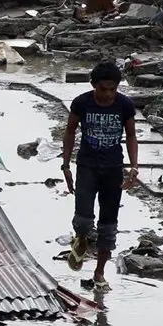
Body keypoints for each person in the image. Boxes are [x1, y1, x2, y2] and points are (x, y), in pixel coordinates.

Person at [62, 62, 139, 290]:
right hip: (86, 166)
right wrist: (66, 166)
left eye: (112, 89)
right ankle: (82, 238)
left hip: (113, 168)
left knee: (108, 224)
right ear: (94, 85)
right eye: (103, 89)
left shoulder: (124, 105)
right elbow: (70, 131)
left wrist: (134, 166)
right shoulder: (82, 103)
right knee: (83, 218)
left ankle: (99, 272)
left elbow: (132, 136)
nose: (108, 94)